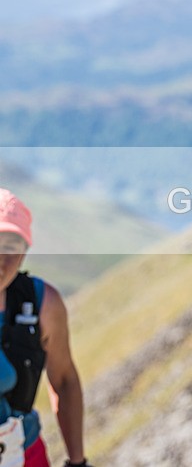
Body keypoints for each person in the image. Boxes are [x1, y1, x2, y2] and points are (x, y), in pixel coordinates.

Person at [0, 189, 88, 467]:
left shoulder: (42, 303)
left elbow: (63, 380)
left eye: (12, 247)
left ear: (25, 252)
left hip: (24, 454)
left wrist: (77, 461)